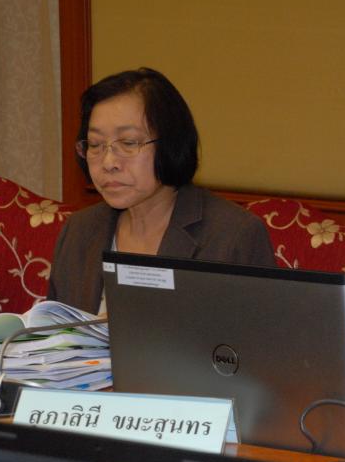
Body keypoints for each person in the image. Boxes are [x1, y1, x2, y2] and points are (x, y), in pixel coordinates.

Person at [48, 68, 275, 314]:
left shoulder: (234, 236)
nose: (108, 162)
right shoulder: (79, 230)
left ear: (170, 144)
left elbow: (261, 335)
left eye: (128, 143)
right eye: (95, 145)